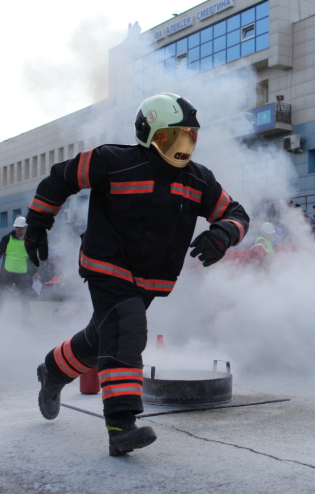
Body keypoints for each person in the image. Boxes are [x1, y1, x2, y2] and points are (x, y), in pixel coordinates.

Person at [25, 93, 249, 457]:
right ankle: (120, 425)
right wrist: (37, 223)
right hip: (106, 265)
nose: (183, 145)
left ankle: (53, 370)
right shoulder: (112, 161)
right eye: (173, 136)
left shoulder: (198, 179)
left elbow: (236, 213)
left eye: (189, 136)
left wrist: (222, 234)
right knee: (128, 329)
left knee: (102, 338)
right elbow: (59, 178)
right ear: (149, 134)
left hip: (148, 280)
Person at [0, 216, 39, 321]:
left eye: (20, 227)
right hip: (7, 273)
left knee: (24, 297)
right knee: (1, 295)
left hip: (22, 273)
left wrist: (36, 271)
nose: (18, 229)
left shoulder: (29, 241)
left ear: (25, 227)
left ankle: (25, 319)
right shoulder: (7, 238)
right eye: (16, 227)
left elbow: (33, 258)